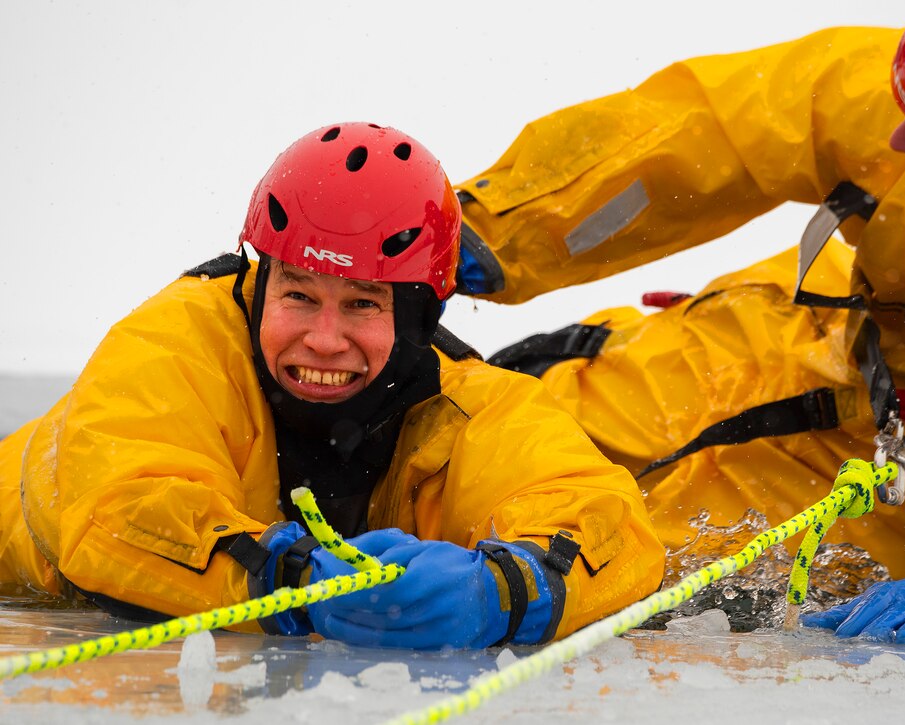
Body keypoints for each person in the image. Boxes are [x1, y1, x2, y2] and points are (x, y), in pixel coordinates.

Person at [453, 0, 905, 647]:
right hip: (801, 349)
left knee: (613, 557)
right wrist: (486, 232)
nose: (901, 137)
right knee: (484, 430)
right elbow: (707, 130)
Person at [0, 122, 665, 650]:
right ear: (260, 284)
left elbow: (603, 522)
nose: (323, 338)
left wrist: (506, 592)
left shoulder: (466, 405)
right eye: (298, 294)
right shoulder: (177, 340)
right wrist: (293, 581)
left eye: (362, 304)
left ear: (416, 317)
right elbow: (119, 510)